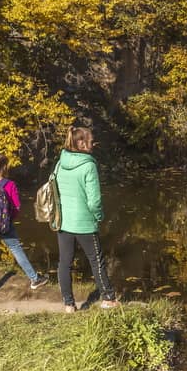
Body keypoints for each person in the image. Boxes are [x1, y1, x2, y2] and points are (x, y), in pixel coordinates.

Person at [54, 126, 117, 312]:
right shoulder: (89, 165)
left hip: (63, 221)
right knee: (96, 260)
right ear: (80, 143)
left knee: (64, 263)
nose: (93, 144)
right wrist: (99, 216)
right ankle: (108, 299)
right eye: (90, 141)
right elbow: (94, 200)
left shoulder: (60, 163)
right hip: (84, 223)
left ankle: (68, 304)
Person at [0, 154, 48, 294]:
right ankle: (34, 279)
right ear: (5, 167)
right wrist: (8, 219)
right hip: (4, 224)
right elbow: (16, 207)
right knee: (15, 248)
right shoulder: (9, 184)